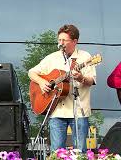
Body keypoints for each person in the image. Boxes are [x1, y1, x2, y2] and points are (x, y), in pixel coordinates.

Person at [28, 24, 96, 153]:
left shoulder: (85, 57)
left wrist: (81, 77)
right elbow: (31, 72)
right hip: (57, 111)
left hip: (79, 112)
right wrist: (42, 82)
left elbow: (91, 80)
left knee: (80, 152)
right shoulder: (52, 57)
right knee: (57, 152)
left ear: (75, 41)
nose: (61, 43)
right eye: (59, 40)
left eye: (64, 40)